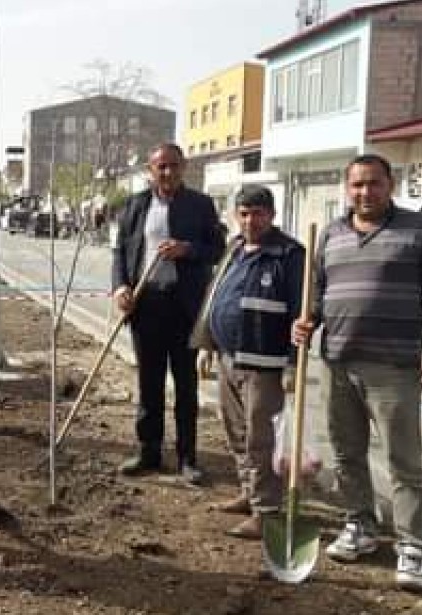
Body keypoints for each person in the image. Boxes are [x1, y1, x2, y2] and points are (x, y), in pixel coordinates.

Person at [292, 154, 422, 591]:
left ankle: (413, 546)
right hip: (337, 361)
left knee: (404, 461)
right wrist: (306, 321)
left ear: (391, 184)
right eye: (357, 185)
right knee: (347, 453)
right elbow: (317, 295)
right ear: (347, 188)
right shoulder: (331, 234)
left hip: (393, 366)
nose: (365, 192)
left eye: (374, 183)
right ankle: (360, 524)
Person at [192, 185, 304, 538]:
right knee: (236, 432)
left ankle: (266, 511)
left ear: (272, 215)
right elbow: (214, 296)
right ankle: (248, 492)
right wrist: (207, 344)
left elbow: (303, 313)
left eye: (257, 213)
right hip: (229, 358)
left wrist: (293, 362)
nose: (250, 221)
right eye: (243, 213)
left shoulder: (289, 255)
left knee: (261, 439)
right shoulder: (235, 249)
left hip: (264, 365)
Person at [112, 143, 225, 483]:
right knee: (149, 383)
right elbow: (121, 252)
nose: (168, 172)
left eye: (173, 165)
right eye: (160, 167)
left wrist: (187, 249)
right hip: (146, 305)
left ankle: (187, 458)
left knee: (186, 385)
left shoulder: (200, 205)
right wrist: (120, 287)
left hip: (184, 307)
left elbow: (217, 249)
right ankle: (149, 451)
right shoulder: (135, 205)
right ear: (150, 170)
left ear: (183, 167)